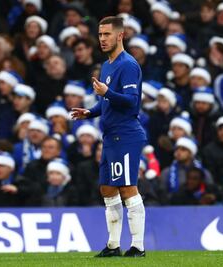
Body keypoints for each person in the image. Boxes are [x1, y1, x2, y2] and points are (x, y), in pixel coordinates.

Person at [71, 16, 147, 257]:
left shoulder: (128, 65)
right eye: (100, 34)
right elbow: (108, 101)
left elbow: (131, 102)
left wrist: (108, 92)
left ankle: (138, 247)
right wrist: (90, 112)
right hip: (110, 135)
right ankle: (113, 246)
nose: (102, 39)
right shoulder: (107, 65)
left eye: (107, 34)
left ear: (120, 35)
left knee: (127, 188)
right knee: (107, 188)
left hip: (126, 134)